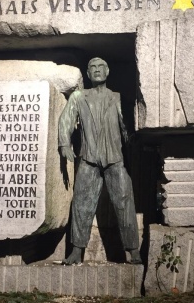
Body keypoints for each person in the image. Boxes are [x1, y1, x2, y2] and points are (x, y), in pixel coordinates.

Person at [58, 57, 141, 265]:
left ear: (107, 71)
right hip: (89, 158)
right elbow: (66, 119)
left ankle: (133, 251)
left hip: (115, 159)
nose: (96, 70)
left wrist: (132, 149)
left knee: (125, 202)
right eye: (92, 68)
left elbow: (126, 129)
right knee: (81, 203)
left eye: (100, 67)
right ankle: (76, 251)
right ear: (88, 73)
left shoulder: (117, 97)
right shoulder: (79, 97)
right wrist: (64, 144)